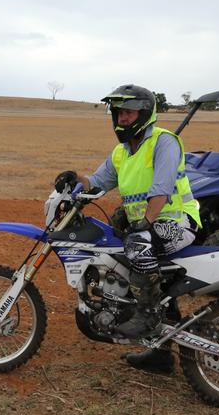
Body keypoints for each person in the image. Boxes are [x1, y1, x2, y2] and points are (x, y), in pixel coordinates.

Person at [54, 84, 201, 374]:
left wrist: (144, 223)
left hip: (177, 222)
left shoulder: (164, 142)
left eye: (128, 112)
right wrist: (74, 182)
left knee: (137, 246)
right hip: (147, 225)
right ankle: (160, 354)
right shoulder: (122, 152)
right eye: (119, 112)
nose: (122, 118)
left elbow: (161, 188)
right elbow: (97, 181)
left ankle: (145, 316)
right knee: (129, 261)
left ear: (145, 114)